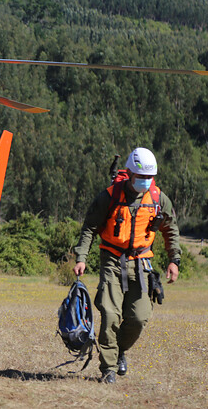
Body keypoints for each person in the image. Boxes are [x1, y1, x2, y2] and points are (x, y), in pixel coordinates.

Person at [73, 147, 181, 384]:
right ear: (130, 173)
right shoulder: (109, 196)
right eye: (141, 177)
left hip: (142, 262)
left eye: (149, 178)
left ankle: (119, 350)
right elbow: (90, 227)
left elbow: (170, 229)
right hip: (112, 259)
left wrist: (174, 260)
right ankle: (108, 368)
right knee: (110, 314)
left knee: (139, 317)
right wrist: (81, 256)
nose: (145, 182)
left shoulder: (158, 198)